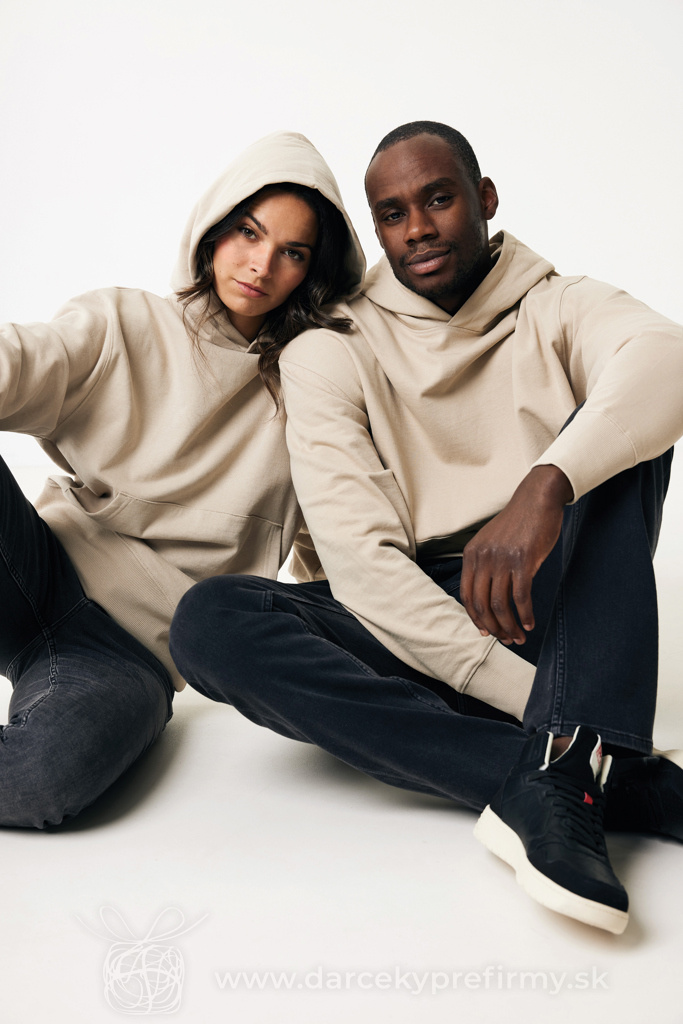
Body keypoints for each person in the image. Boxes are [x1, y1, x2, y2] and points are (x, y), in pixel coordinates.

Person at [169, 121, 683, 935]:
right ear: (375, 230)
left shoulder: (556, 304)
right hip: (414, 614)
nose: (416, 228)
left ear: (484, 200)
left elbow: (666, 358)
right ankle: (580, 770)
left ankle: (570, 758)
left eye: (437, 200)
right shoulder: (330, 348)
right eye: (392, 213)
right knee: (212, 621)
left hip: (552, 592)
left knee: (628, 429)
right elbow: (363, 567)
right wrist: (541, 709)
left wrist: (546, 484)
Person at [0, 130, 364, 830]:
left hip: (127, 654)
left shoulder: (311, 394)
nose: (261, 265)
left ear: (312, 273)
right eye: (248, 232)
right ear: (214, 228)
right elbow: (24, 360)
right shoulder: (125, 324)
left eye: (292, 252)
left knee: (39, 782)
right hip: (33, 569)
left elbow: (334, 549)